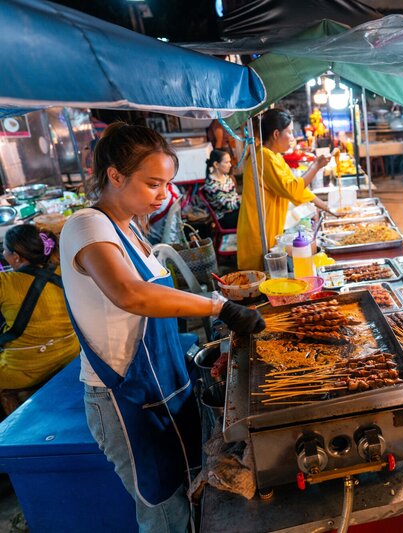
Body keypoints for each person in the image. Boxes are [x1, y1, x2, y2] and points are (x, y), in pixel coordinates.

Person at [59, 122, 265, 532]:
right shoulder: (86, 226)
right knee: (163, 511)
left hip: (166, 385)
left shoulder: (131, 227)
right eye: (153, 183)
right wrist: (217, 307)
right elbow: (130, 293)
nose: (163, 194)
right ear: (115, 176)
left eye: (167, 183)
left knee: (189, 494)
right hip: (124, 397)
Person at [237, 109, 333, 270]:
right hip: (258, 230)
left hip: (270, 226)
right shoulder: (264, 157)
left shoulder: (274, 156)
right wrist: (316, 166)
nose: (293, 138)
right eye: (289, 133)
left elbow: (299, 189)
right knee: (261, 280)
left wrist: (327, 208)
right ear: (276, 134)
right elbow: (291, 189)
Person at [0, 225, 79, 399]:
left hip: (26, 370)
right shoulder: (66, 268)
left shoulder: (5, 283)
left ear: (17, 257)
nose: (3, 255)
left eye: (4, 250)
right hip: (71, 354)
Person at [203, 149, 240, 228]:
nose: (230, 165)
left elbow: (235, 197)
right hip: (223, 219)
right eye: (226, 162)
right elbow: (229, 205)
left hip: (232, 212)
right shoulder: (211, 185)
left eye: (229, 162)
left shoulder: (226, 178)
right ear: (216, 164)